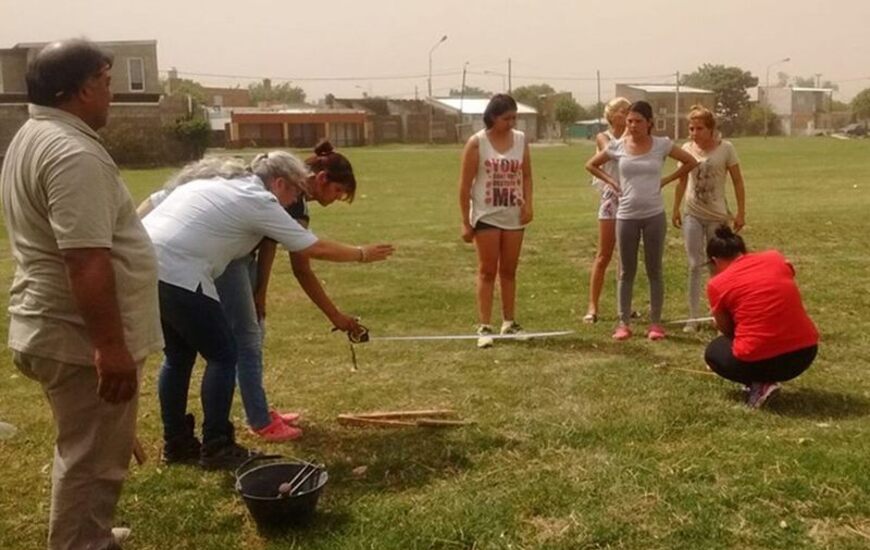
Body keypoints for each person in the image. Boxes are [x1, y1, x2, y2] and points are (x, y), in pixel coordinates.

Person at [0, 39, 162, 550]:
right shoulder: (72, 153)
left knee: (86, 450)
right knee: (92, 461)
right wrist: (110, 348)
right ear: (82, 89)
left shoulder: (34, 135)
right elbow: (85, 258)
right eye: (108, 83)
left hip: (53, 327)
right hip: (76, 337)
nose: (111, 96)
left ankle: (90, 534)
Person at [142, 152, 393, 469]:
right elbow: (310, 246)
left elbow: (151, 207)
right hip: (180, 271)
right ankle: (217, 446)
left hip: (144, 266)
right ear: (279, 182)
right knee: (223, 355)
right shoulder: (259, 199)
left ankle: (176, 444)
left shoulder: (217, 181)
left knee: (178, 357)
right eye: (294, 193)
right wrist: (361, 253)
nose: (293, 202)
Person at [585, 100, 698, 341]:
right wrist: (612, 182)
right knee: (626, 270)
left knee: (654, 269)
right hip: (626, 216)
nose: (633, 126)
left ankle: (655, 323)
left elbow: (691, 161)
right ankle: (623, 322)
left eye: (638, 121)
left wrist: (667, 179)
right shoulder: (617, 146)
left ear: (649, 124)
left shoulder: (661, 145)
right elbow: (591, 165)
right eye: (630, 121)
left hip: (654, 216)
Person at [704, 226, 818, 408]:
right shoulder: (775, 257)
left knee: (715, 352)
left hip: (766, 357)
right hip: (806, 352)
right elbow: (788, 273)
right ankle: (764, 380)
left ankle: (760, 384)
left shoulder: (717, 284)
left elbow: (727, 330)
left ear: (715, 261)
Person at [459, 94, 534, 348]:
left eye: (514, 117)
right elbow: (464, 185)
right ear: (493, 117)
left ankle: (510, 322)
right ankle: (484, 326)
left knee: (509, 270)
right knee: (487, 270)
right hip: (486, 215)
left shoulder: (521, 140)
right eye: (506, 118)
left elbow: (527, 176)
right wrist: (465, 221)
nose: (512, 122)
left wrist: (529, 204)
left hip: (513, 215)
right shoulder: (477, 143)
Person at [673, 105, 747, 332]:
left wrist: (741, 211)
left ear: (711, 129)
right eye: (691, 128)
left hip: (717, 215)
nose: (694, 133)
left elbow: (737, 181)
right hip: (693, 213)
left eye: (699, 128)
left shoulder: (726, 149)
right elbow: (682, 181)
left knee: (718, 266)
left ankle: (719, 314)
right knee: (695, 264)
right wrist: (676, 208)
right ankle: (693, 317)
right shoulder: (686, 148)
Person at [583, 97, 630, 324]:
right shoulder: (604, 136)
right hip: (611, 199)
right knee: (604, 254)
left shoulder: (634, 136)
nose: (627, 114)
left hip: (631, 197)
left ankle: (625, 305)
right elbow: (609, 151)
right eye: (623, 111)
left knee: (626, 256)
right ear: (612, 115)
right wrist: (610, 181)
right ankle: (593, 306)